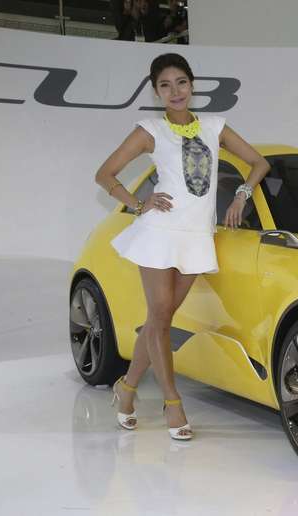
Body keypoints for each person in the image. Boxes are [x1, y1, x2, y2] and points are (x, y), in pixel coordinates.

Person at [95, 53, 271, 439]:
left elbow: (258, 163)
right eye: (165, 85)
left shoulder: (214, 126)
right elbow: (104, 174)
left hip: (197, 235)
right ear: (156, 92)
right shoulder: (150, 130)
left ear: (192, 85)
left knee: (160, 320)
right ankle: (172, 403)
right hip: (159, 232)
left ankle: (127, 388)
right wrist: (138, 204)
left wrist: (241, 195)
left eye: (181, 83)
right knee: (160, 316)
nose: (175, 91)